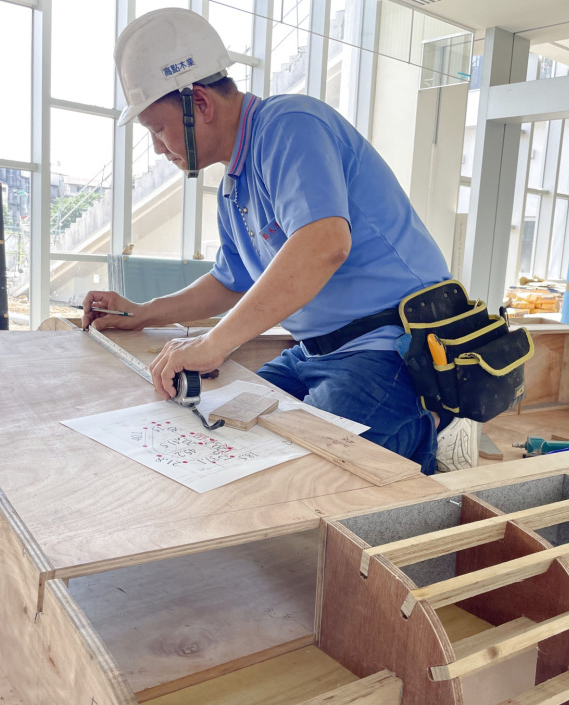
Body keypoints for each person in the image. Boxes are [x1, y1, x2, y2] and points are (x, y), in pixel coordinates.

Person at [82, 8, 480, 473]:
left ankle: (430, 433)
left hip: (389, 350)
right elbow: (230, 282)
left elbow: (324, 244)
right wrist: (143, 312)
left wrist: (213, 343)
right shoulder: (233, 187)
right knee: (223, 430)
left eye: (156, 128)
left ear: (201, 104)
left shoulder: (290, 124)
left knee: (302, 472)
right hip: (313, 354)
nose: (156, 147)